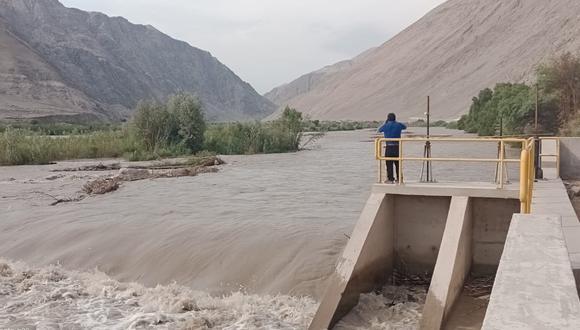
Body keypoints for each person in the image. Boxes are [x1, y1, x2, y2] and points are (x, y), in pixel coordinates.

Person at [378, 113, 407, 183]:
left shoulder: (386, 125)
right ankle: (399, 178)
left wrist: (385, 122)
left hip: (389, 147)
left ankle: (390, 179)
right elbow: (405, 127)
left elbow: (379, 130)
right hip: (397, 147)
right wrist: (397, 122)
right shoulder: (398, 125)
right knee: (398, 163)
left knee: (389, 164)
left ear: (388, 118)